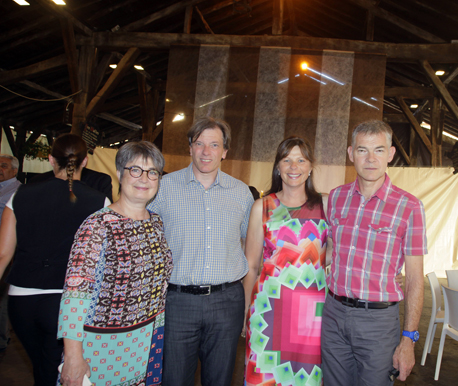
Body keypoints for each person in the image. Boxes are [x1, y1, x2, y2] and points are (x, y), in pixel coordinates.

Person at [148, 117, 254, 386]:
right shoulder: (163, 189)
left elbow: (253, 249)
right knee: (174, 378)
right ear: (190, 147)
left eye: (214, 145)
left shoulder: (241, 194)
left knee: (219, 379)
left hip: (227, 301)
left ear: (225, 152)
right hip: (177, 301)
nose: (206, 152)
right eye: (200, 144)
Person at [321, 120, 428, 386]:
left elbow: (415, 278)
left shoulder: (410, 207)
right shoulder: (336, 197)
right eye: (362, 150)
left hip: (378, 323)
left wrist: (408, 340)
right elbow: (329, 253)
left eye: (379, 150)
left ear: (391, 154)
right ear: (350, 154)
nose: (370, 159)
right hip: (333, 315)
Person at [58, 141, 172, 386]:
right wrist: (73, 356)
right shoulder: (97, 225)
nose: (144, 178)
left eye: (152, 172)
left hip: (146, 342)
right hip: (101, 348)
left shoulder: (157, 224)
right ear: (120, 173)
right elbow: (75, 295)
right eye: (135, 170)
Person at [0, 134, 109, 386]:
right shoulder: (100, 202)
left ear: (50, 159)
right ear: (84, 161)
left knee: (42, 367)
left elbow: (4, 254)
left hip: (21, 300)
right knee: (53, 368)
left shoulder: (20, 195)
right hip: (69, 304)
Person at [244, 137, 327, 386]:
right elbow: (251, 265)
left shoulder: (324, 205)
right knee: (267, 377)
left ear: (310, 167)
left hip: (313, 317)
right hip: (269, 311)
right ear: (278, 166)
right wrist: (245, 310)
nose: (294, 166)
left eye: (301, 160)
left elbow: (336, 253)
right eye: (287, 160)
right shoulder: (262, 207)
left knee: (307, 379)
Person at [0, 154, 20, 353]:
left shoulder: (18, 191)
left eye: (4, 166)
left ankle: (1, 338)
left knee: (3, 294)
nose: (0, 169)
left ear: (14, 170)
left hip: (7, 249)